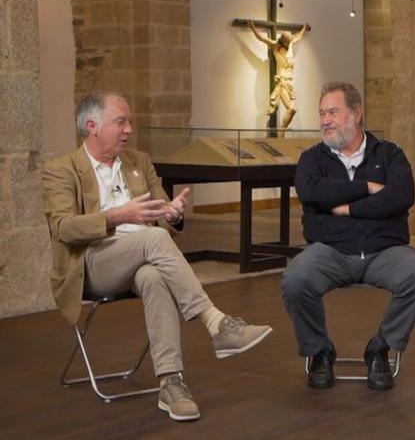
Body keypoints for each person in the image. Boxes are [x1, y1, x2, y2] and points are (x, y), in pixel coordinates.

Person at [42, 92, 273, 422]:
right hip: (91, 263)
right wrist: (118, 216)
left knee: (153, 274)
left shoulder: (139, 162)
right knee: (154, 238)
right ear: (92, 126)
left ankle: (170, 382)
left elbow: (164, 213)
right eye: (120, 122)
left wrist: (174, 213)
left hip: (143, 256)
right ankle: (215, 322)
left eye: (130, 122)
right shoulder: (61, 170)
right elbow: (63, 228)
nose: (128, 129)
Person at [281, 81, 415, 390]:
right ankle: (319, 351)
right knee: (295, 280)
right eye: (322, 113)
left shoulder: (389, 154)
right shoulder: (313, 159)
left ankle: (381, 347)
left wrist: (345, 209)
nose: (325, 120)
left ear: (357, 113)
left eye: (333, 112)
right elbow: (311, 192)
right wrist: (365, 188)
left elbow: (401, 196)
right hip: (330, 250)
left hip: (385, 250)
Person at [248, 20, 310, 131]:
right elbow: (262, 38)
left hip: (290, 82)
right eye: (288, 42)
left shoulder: (290, 45)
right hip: (282, 82)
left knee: (293, 110)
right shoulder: (275, 46)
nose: (290, 43)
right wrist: (252, 27)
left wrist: (304, 28)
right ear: (283, 42)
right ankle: (281, 131)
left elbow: (298, 37)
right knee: (291, 109)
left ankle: (282, 130)